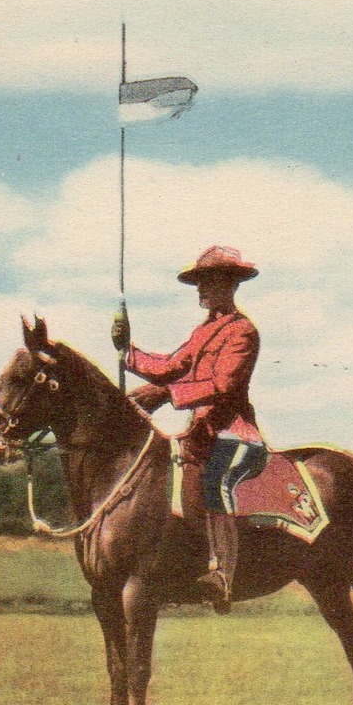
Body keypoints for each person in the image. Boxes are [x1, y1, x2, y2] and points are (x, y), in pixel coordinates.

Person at [112, 245, 268, 612]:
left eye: (208, 282)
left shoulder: (242, 332)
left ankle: (223, 575)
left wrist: (168, 394)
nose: (201, 289)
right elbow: (170, 365)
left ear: (229, 285)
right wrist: (128, 352)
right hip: (200, 435)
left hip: (234, 435)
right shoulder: (203, 332)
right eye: (199, 283)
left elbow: (223, 386)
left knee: (216, 481)